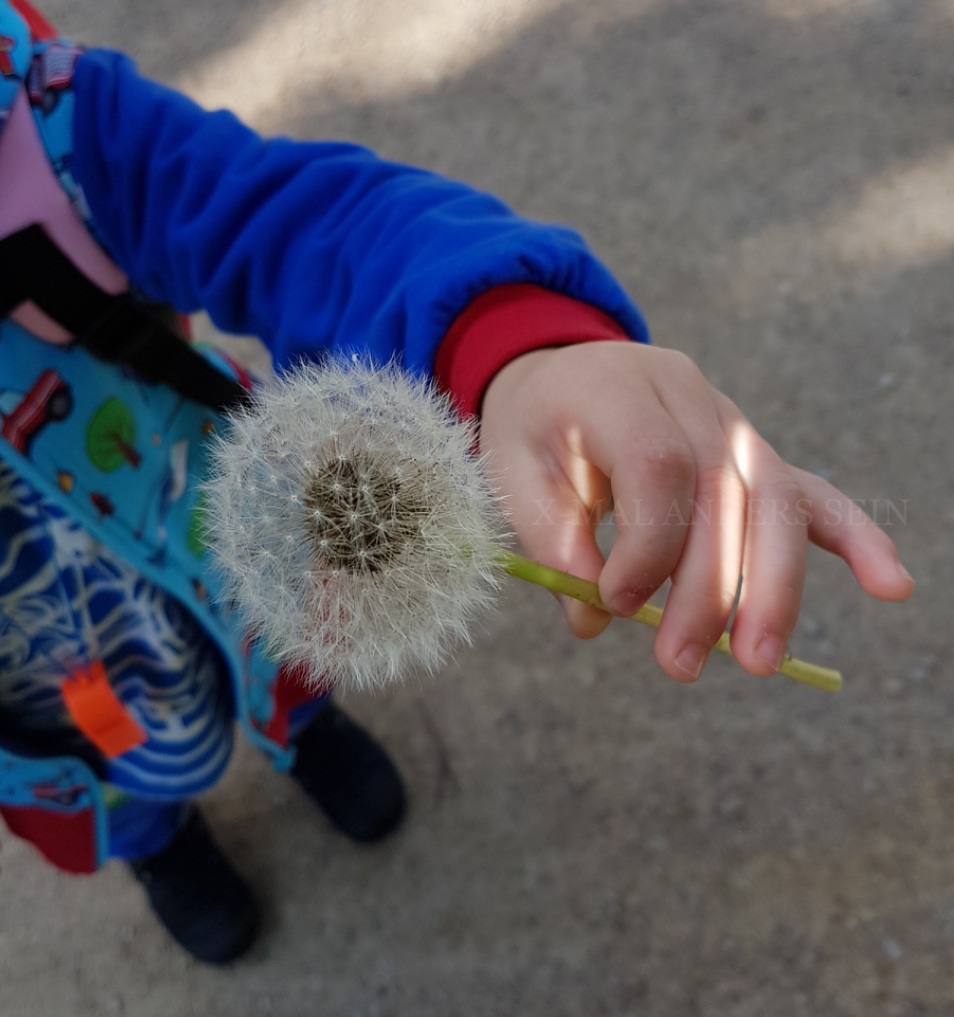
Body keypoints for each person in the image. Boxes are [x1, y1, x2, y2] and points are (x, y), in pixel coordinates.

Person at [0, 0, 914, 964]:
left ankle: (302, 724)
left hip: (236, 521)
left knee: (291, 637)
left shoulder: (44, 130)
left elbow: (305, 224)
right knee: (107, 746)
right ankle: (156, 836)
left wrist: (506, 346)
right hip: (38, 663)